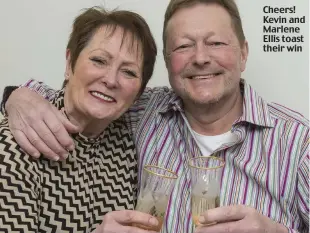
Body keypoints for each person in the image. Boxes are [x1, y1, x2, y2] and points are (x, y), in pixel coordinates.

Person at [2, 0, 309, 233]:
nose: (201, 58)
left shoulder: (299, 143)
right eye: (184, 46)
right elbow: (83, 95)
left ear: (243, 53)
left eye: (216, 43)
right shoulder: (142, 111)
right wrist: (15, 96)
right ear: (167, 61)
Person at [0, 6, 160, 233]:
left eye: (129, 72)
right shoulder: (16, 144)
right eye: (99, 60)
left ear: (139, 93)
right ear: (69, 63)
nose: (111, 80)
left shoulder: (124, 140)